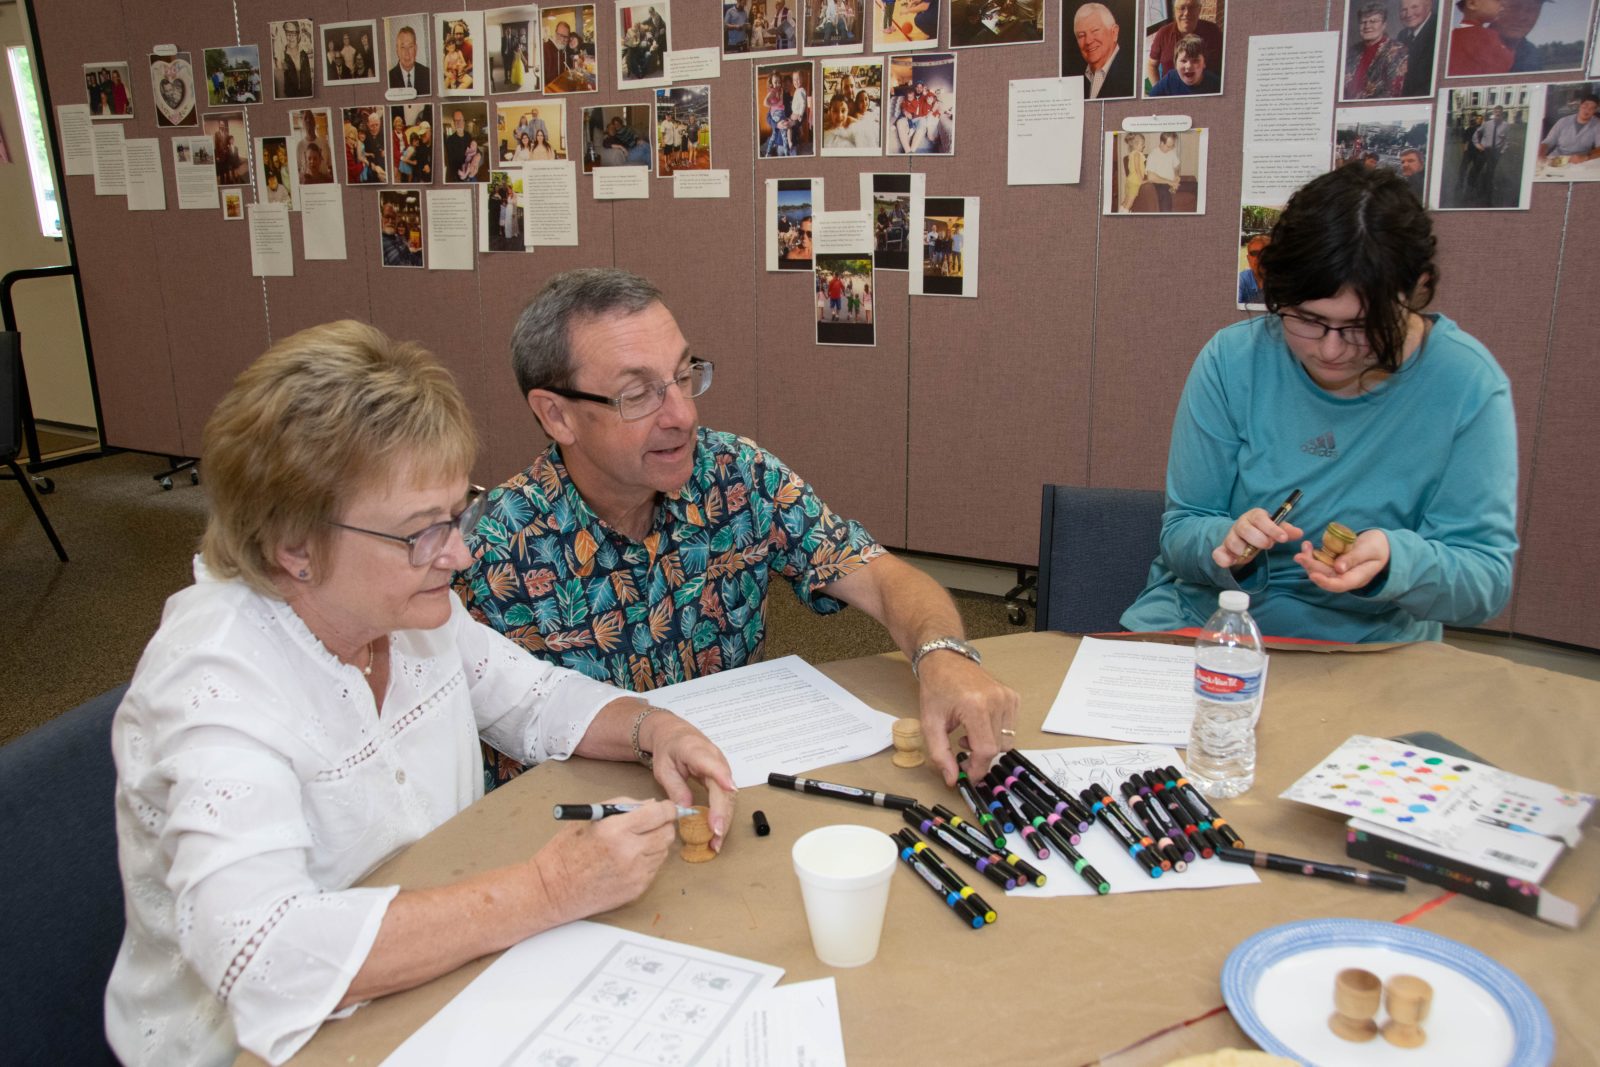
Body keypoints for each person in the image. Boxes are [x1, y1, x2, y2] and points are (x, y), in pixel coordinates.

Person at [103, 322, 736, 1067]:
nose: (459, 553)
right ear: (295, 548)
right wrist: (545, 889)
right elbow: (263, 955)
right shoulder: (216, 680)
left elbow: (532, 698)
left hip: (434, 972)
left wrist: (652, 728)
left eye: (457, 514)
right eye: (420, 533)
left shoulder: (397, 609)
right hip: (259, 1044)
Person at [455, 269, 1019, 788]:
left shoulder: (734, 475)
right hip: (582, 820)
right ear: (557, 415)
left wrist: (944, 656)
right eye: (638, 394)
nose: (683, 415)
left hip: (734, 790)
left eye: (683, 375)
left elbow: (878, 576)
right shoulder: (486, 553)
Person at [1122, 164, 1517, 642]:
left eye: (1362, 326)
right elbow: (1182, 530)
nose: (1331, 350)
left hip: (1368, 647)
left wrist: (1398, 562)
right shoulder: (1234, 359)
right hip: (1209, 623)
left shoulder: (1466, 383)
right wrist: (1223, 543)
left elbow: (1484, 585)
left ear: (1417, 290)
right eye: (1307, 319)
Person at [1146, 0, 1222, 88]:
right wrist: (1158, 89)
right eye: (1181, 8)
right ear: (1175, 11)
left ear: (1199, 10)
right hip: (1172, 91)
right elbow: (1152, 65)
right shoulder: (1163, 33)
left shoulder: (1213, 31)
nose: (1186, 13)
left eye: (1192, 7)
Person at [1344, 2, 1410, 99]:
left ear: (1384, 25)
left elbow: (1392, 92)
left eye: (1373, 21)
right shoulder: (1352, 52)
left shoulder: (1397, 51)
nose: (1367, 26)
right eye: (1363, 22)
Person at [1072, 3, 1134, 100]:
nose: (1088, 41)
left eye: (1095, 31)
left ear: (1114, 32)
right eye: (1081, 35)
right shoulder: (1075, 79)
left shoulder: (1132, 73)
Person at [1446, 0, 1511, 77]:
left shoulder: (1452, 35)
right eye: (1497, 1)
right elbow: (1502, 65)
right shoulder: (1485, 36)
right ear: (1472, 3)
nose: (1502, 7)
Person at [1538, 93, 1600, 164]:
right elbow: (1547, 142)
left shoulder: (1597, 124)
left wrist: (1586, 157)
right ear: (1580, 106)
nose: (1587, 110)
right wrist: (1540, 154)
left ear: (1595, 110)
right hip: (1557, 158)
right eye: (1585, 106)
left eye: (1592, 108)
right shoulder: (1563, 121)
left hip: (1580, 161)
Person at [1149, 33, 1219, 95]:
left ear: (1204, 63)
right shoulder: (1170, 79)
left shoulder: (1215, 84)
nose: (1188, 66)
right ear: (1176, 64)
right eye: (1183, 61)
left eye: (1195, 60)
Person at [1466, 103, 1509, 202]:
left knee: (1490, 172)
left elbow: (1507, 140)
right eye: (1496, 111)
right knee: (1476, 169)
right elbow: (1476, 134)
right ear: (1493, 112)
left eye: (1499, 112)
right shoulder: (1487, 124)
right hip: (1484, 150)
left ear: (1502, 113)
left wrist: (1502, 151)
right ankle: (1470, 188)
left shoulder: (1505, 125)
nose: (1497, 113)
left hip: (1495, 152)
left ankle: (1486, 193)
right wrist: (1477, 145)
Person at [1396, 0, 1438, 97]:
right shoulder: (1402, 35)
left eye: (1414, 7)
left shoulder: (1438, 29)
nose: (1408, 14)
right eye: (1404, 9)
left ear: (1428, 6)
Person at [388, 25, 432, 92]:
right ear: (397, 50)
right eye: (403, 47)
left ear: (415, 49)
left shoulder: (428, 75)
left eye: (410, 47)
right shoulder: (389, 79)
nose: (407, 53)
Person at [1146, 130, 1182, 212]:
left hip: (1172, 184)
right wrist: (1169, 182)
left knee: (1196, 186)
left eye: (1172, 146)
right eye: (1169, 146)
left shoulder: (1172, 152)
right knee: (1164, 192)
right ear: (1162, 143)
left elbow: (1177, 167)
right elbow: (1150, 177)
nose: (1171, 149)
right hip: (1160, 184)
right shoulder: (1153, 155)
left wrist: (1176, 176)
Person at [295, 110, 333, 185]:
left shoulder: (324, 143)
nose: (308, 120)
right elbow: (298, 169)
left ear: (314, 122)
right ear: (302, 124)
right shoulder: (299, 146)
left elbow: (331, 166)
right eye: (305, 118)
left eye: (311, 118)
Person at [277, 21, 313, 98]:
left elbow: (308, 80)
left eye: (293, 33)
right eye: (288, 33)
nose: (291, 37)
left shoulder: (304, 54)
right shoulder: (282, 56)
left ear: (298, 35)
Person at [1236, 233, 1267, 304]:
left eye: (1264, 253)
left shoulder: (1281, 281)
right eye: (1254, 253)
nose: (1258, 258)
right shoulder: (1241, 279)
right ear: (1248, 258)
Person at [1119, 132, 1147, 212]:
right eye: (1142, 144)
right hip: (1135, 182)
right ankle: (1124, 216)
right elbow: (1137, 169)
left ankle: (1119, 213)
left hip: (1129, 180)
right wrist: (1141, 180)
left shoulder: (1131, 154)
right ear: (1136, 145)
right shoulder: (1137, 154)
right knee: (1129, 204)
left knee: (1125, 201)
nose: (1143, 146)